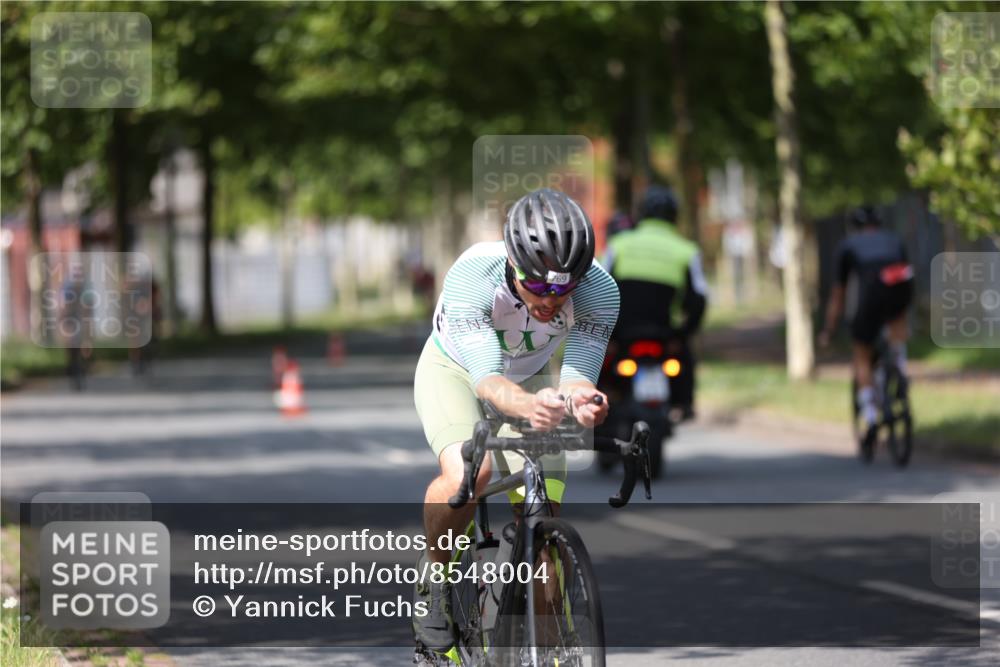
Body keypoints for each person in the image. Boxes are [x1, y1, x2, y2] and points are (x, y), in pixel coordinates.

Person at [411, 188, 619, 662]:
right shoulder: (474, 275)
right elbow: (488, 382)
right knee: (470, 473)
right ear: (513, 264)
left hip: (529, 381)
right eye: (540, 287)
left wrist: (584, 404)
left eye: (564, 289)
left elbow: (579, 378)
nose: (552, 299)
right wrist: (533, 405)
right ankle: (435, 580)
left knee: (544, 526)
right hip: (457, 373)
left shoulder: (600, 290)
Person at [601, 185, 708, 416]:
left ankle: (594, 404)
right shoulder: (687, 251)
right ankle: (685, 403)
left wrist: (606, 334)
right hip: (664, 335)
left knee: (599, 364)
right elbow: (699, 299)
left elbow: (596, 288)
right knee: (685, 361)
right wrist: (682, 335)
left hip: (622, 334)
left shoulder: (618, 245)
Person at [820, 205, 914, 442]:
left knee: (862, 353)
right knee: (897, 315)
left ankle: (871, 416)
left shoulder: (847, 246)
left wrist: (829, 330)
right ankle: (900, 365)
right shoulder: (894, 239)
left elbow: (838, 295)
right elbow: (904, 273)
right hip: (900, 286)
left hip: (871, 293)